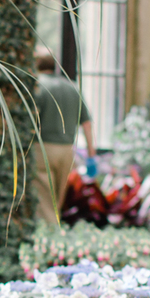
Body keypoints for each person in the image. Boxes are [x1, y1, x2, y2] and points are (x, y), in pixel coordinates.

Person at [33, 46, 96, 225]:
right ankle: (55, 237)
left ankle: (51, 240)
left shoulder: (37, 86)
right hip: (67, 151)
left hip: (43, 150)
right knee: (56, 202)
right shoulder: (72, 88)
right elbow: (87, 123)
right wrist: (92, 155)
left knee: (44, 201)